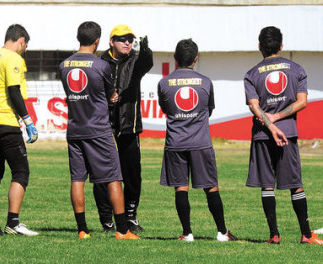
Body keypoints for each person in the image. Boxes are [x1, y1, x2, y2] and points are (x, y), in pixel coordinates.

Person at [59, 21, 139, 240]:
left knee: (77, 179)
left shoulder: (64, 65)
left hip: (75, 129)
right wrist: (111, 97)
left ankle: (82, 230)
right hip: (99, 130)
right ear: (97, 41)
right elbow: (109, 93)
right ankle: (123, 230)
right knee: (114, 177)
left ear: (79, 38)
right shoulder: (101, 66)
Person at [244, 26, 323, 244]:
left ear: (259, 46)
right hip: (287, 133)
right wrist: (278, 119)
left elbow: (253, 105)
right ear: (281, 46)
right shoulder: (296, 68)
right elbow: (302, 102)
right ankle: (306, 235)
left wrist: (269, 123)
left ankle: (274, 235)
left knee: (267, 184)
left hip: (262, 134)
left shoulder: (251, 74)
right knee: (295, 184)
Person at [158, 38, 238, 242]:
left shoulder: (164, 83)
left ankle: (187, 233)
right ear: (195, 59)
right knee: (211, 187)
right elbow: (208, 110)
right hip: (200, 142)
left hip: (175, 143)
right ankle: (222, 232)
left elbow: (166, 110)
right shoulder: (206, 82)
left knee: (181, 187)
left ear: (175, 59)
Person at [93, 24, 153, 233]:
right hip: (104, 127)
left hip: (130, 126)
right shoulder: (100, 62)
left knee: (133, 176)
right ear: (112, 42)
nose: (127, 42)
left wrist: (146, 50)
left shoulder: (136, 60)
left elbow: (147, 63)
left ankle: (130, 216)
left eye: (130, 39)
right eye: (122, 39)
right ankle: (107, 220)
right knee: (103, 177)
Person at [0, 24, 39, 236]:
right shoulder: (13, 57)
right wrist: (28, 120)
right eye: (25, 46)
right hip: (6, 122)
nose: (24, 50)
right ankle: (13, 223)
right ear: (21, 40)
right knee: (21, 172)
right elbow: (14, 91)